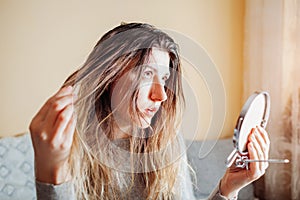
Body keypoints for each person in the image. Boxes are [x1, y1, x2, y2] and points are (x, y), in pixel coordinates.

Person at [29, 22, 270, 200]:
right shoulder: (68, 147)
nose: (161, 95)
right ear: (108, 76)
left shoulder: (165, 141)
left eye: (164, 79)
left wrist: (228, 188)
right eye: (146, 74)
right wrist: (51, 172)